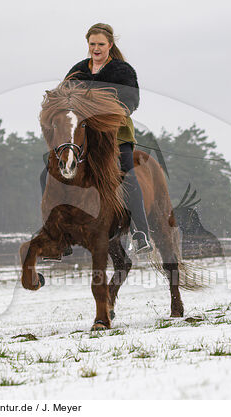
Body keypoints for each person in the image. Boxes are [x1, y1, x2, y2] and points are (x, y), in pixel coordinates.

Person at [40, 23, 153, 255]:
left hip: (115, 136)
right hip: (82, 137)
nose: (96, 48)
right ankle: (57, 233)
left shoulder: (123, 71)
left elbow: (131, 102)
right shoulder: (78, 70)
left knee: (128, 173)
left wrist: (98, 108)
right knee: (49, 172)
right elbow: (65, 99)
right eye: (92, 44)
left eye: (101, 44)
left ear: (110, 45)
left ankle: (140, 232)